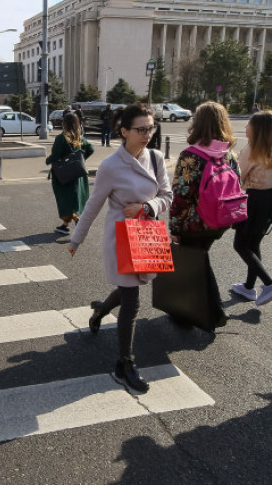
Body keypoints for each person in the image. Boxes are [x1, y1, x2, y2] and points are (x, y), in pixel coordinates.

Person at [67, 104, 172, 393]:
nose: (147, 134)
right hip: (122, 239)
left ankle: (100, 311)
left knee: (131, 289)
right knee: (132, 300)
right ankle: (124, 364)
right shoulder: (110, 166)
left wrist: (147, 206)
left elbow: (167, 194)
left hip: (147, 234)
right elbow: (92, 204)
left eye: (150, 128)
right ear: (124, 131)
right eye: (141, 129)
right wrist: (76, 238)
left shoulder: (156, 157)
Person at [169, 101, 239, 327]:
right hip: (220, 221)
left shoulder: (191, 156)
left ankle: (212, 312)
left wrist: (175, 228)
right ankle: (192, 312)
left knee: (193, 265)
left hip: (195, 223)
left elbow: (180, 196)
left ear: (197, 124)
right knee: (198, 260)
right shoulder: (229, 154)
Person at [231, 111, 272, 306]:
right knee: (254, 244)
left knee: (240, 244)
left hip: (253, 200)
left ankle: (269, 283)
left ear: (257, 130)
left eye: (249, 124)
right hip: (268, 200)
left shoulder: (251, 150)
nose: (246, 127)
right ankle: (248, 287)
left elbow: (238, 176)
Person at [46, 112, 94, 235]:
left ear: (64, 124)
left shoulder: (62, 138)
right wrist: (80, 161)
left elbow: (55, 155)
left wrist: (48, 160)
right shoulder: (80, 138)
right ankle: (65, 225)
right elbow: (91, 149)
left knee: (65, 199)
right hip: (78, 174)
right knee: (75, 199)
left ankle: (76, 221)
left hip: (64, 175)